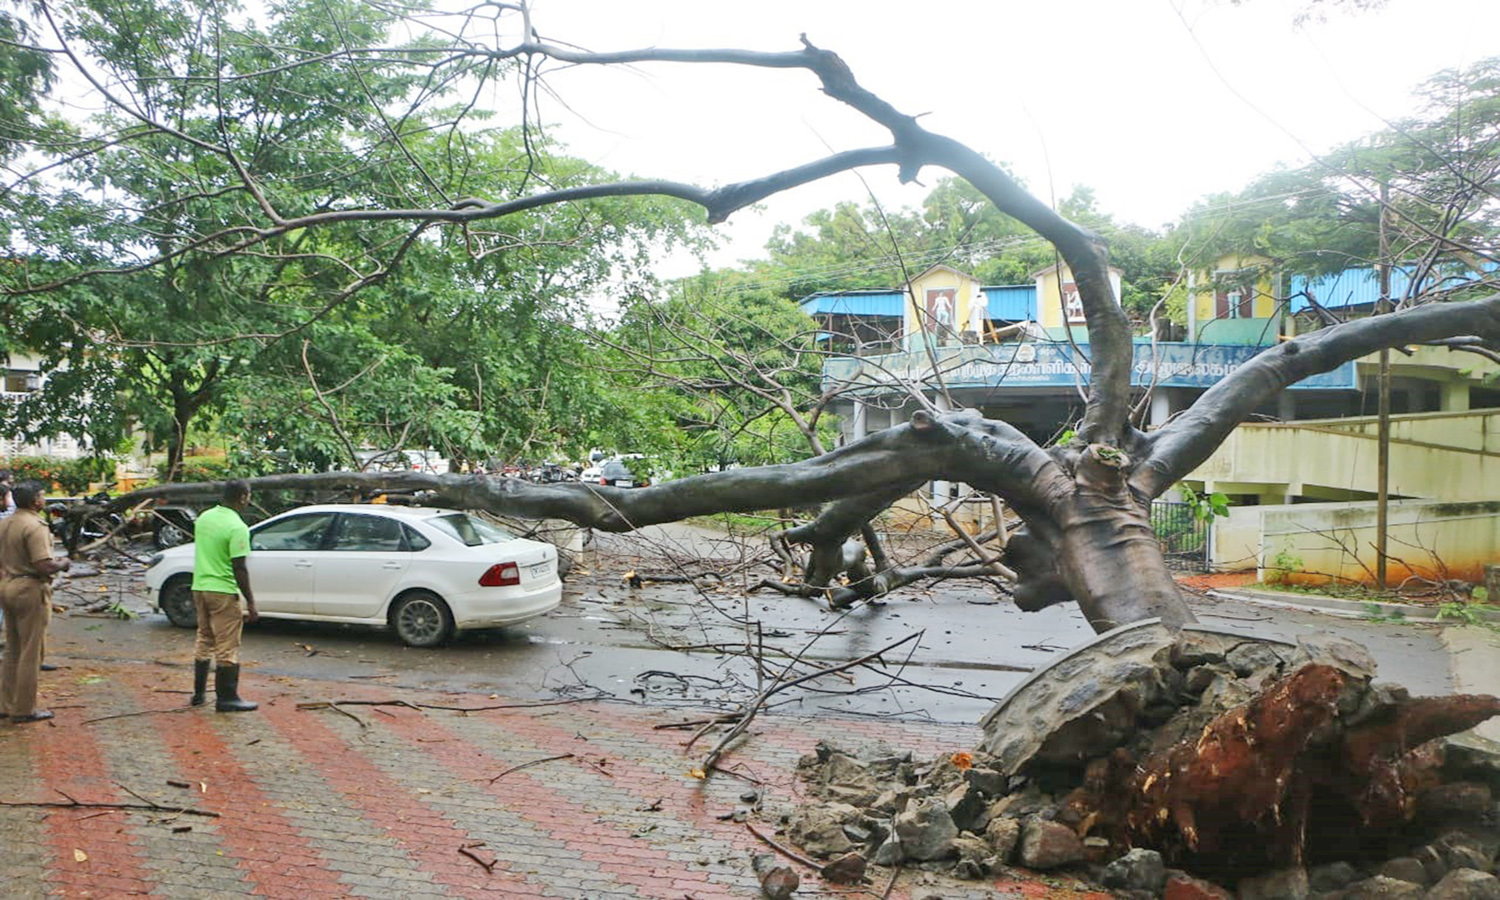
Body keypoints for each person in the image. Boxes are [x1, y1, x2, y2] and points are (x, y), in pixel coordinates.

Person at [0, 481, 70, 723]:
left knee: (12, 649)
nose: (45, 500)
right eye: (42, 496)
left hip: (7, 585)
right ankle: (24, 709)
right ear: (34, 501)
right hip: (29, 588)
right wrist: (63, 563)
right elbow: (43, 565)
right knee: (31, 651)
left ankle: (6, 704)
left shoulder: (6, 522)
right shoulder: (35, 525)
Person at [190, 480, 259, 712]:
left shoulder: (204, 518)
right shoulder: (237, 527)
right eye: (248, 496)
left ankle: (198, 694)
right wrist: (250, 601)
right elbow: (239, 567)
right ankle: (227, 698)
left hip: (199, 586)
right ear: (242, 497)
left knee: (204, 638)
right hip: (222, 590)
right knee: (227, 645)